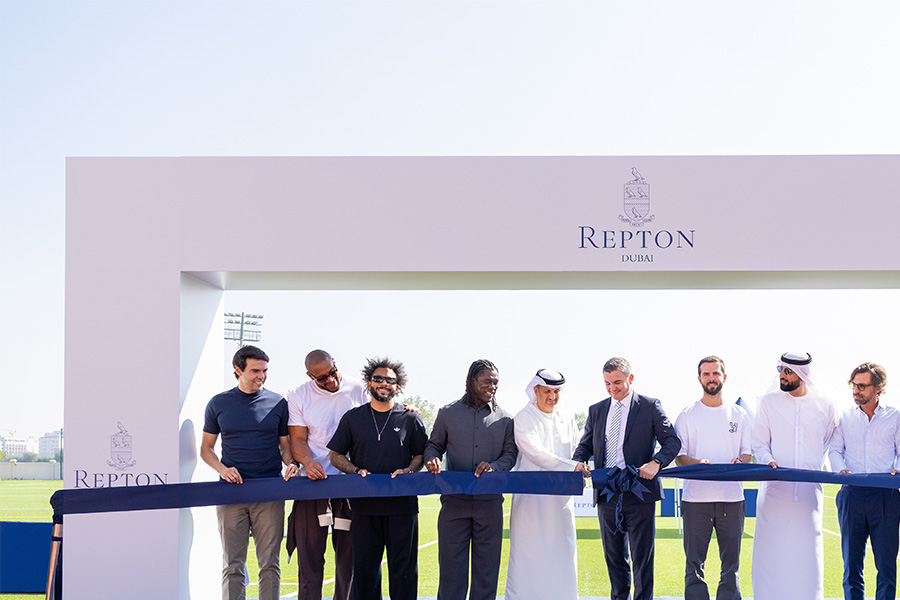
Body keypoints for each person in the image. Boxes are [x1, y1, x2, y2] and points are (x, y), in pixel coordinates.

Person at [572, 356, 681, 600]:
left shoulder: (650, 406)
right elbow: (585, 445)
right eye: (607, 383)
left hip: (640, 494)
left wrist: (656, 462)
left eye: (617, 382)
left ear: (630, 378)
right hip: (606, 494)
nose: (612, 388)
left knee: (642, 559)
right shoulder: (596, 410)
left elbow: (672, 441)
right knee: (614, 559)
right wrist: (579, 461)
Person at [200, 345, 300, 600]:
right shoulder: (218, 403)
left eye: (264, 371)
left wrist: (291, 463)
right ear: (238, 370)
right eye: (255, 371)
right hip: (231, 494)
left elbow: (285, 446)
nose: (261, 376)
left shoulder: (278, 403)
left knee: (269, 565)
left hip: (269, 493)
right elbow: (206, 449)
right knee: (232, 565)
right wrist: (223, 470)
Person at [328, 357, 427, 600]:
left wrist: (409, 470)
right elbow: (335, 455)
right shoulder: (353, 418)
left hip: (402, 508)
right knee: (365, 575)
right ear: (369, 383)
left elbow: (420, 455)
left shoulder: (410, 418)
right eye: (378, 379)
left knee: (404, 574)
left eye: (390, 380)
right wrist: (354, 470)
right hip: (364, 508)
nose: (384, 383)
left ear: (397, 386)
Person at [423, 359, 517, 600]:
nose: (492, 386)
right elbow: (434, 445)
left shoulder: (506, 419)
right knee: (451, 571)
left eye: (495, 382)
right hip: (454, 502)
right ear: (472, 381)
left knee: (487, 571)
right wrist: (432, 458)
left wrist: (494, 467)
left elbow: (510, 455)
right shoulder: (447, 413)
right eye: (487, 381)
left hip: (490, 504)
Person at [751, 351, 837, 600]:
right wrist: (768, 460)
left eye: (788, 372)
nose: (782, 375)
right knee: (771, 556)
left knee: (808, 556)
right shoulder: (768, 403)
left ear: (803, 374)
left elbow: (828, 443)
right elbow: (758, 444)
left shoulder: (826, 405)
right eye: (780, 370)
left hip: (809, 495)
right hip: (774, 493)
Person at [285, 350, 369, 600]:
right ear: (310, 376)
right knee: (309, 558)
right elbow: (297, 439)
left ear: (335, 363)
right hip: (313, 485)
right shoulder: (299, 395)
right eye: (321, 378)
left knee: (349, 559)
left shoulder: (359, 388)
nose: (330, 380)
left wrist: (405, 409)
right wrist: (308, 462)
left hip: (350, 484)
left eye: (332, 372)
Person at [504, 369, 590, 600]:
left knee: (563, 554)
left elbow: (577, 451)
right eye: (547, 391)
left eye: (556, 392)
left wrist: (580, 467)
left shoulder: (567, 417)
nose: (552, 397)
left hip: (561, 501)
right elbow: (536, 452)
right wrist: (572, 466)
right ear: (536, 390)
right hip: (531, 503)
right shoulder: (524, 417)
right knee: (528, 557)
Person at [673, 356, 752, 600]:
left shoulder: (740, 414)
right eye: (706, 374)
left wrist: (740, 462)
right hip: (696, 500)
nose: (711, 378)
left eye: (715, 373)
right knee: (694, 566)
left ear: (724, 377)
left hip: (732, 499)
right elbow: (679, 457)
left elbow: (746, 454)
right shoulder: (687, 415)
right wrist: (698, 465)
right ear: (699, 379)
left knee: (731, 567)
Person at [827, 362, 900, 600]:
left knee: (886, 566)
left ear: (878, 388)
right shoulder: (845, 417)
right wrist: (841, 470)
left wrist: (898, 469)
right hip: (852, 495)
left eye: (862, 386)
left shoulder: (895, 417)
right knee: (851, 566)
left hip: (886, 497)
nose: (856, 390)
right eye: (854, 385)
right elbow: (835, 450)